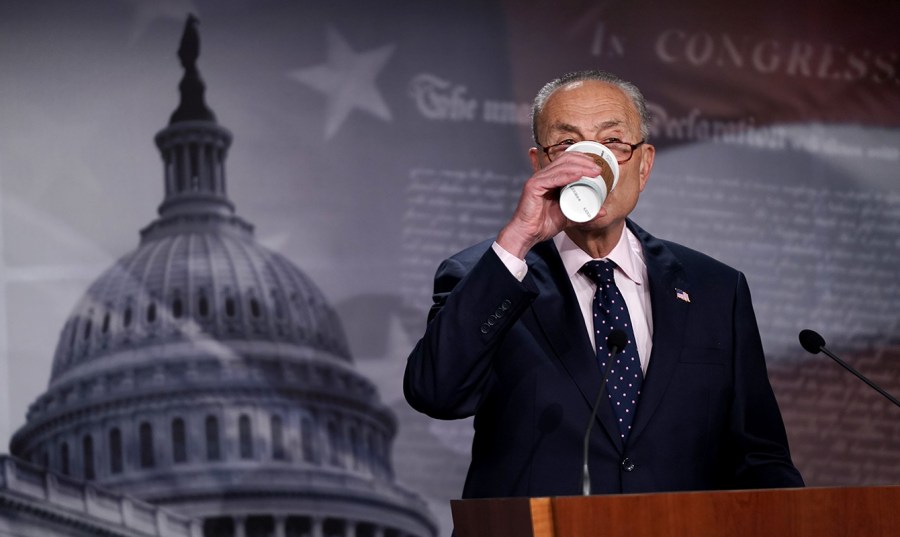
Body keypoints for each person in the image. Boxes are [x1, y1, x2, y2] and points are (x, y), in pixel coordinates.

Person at [403, 69, 804, 499]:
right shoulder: (487, 276)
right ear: (541, 164)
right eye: (568, 145)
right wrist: (518, 238)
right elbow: (436, 394)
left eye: (612, 143)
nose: (592, 164)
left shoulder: (715, 290)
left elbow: (761, 457)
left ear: (644, 164)